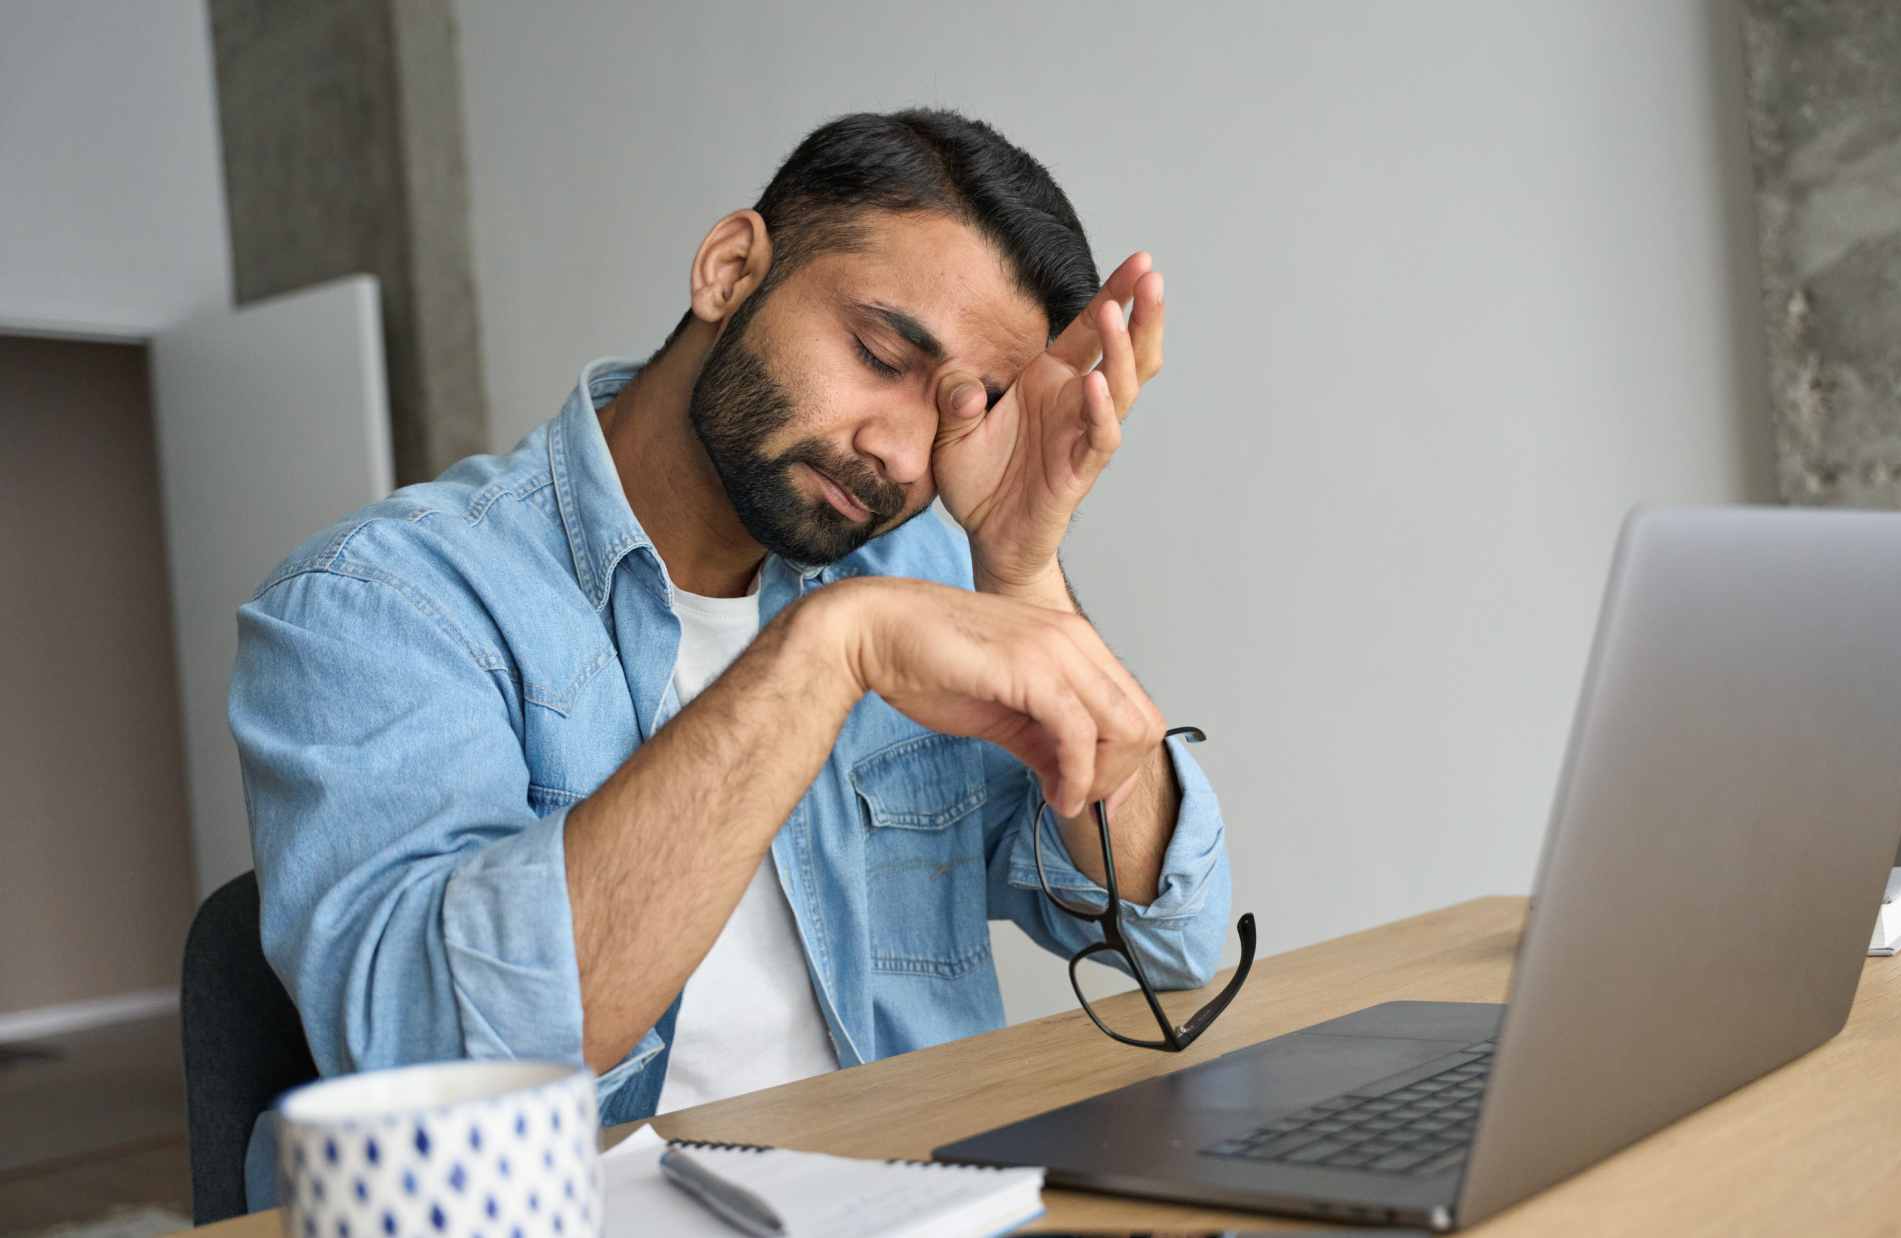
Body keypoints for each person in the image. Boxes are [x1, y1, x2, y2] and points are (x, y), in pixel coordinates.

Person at [227, 108, 1234, 1206]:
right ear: (729, 268)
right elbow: (439, 1070)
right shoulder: (381, 603)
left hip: (919, 1200)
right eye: (880, 355)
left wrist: (1023, 566)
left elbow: (1165, 941)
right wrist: (828, 650)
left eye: (960, 408)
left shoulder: (922, 568)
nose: (900, 451)